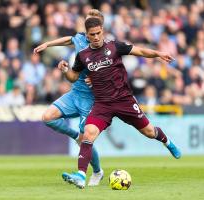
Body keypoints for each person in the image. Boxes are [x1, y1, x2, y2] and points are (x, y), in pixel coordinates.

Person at [58, 17, 181, 189]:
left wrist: (158, 54)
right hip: (102, 104)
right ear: (87, 35)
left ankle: (168, 142)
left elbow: (141, 51)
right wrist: (65, 70)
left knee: (149, 131)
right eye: (92, 34)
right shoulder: (83, 56)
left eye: (98, 33)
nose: (96, 37)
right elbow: (73, 77)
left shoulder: (114, 46)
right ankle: (80, 175)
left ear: (103, 30)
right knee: (88, 134)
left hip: (124, 101)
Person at [33, 9, 104, 186]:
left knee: (86, 139)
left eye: (93, 25)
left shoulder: (106, 49)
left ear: (101, 28)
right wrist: (48, 44)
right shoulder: (80, 38)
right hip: (75, 93)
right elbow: (68, 39)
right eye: (87, 24)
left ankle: (96, 172)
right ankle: (74, 135)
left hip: (91, 99)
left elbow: (112, 73)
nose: (88, 29)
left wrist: (96, 79)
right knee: (47, 117)